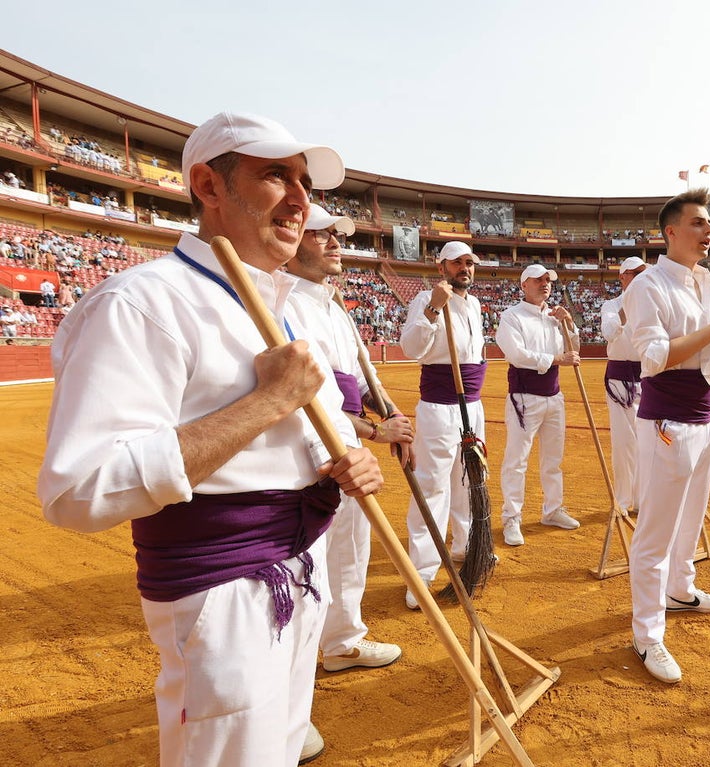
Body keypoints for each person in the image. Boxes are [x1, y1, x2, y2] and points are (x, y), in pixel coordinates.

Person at [38, 111, 382, 766]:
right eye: (275, 174)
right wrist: (267, 402)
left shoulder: (281, 306)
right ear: (208, 184)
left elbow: (324, 422)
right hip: (220, 595)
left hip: (302, 568)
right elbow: (78, 486)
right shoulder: (141, 302)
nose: (301, 197)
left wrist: (346, 453)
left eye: (305, 180)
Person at [623, 188, 710, 684]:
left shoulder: (703, 279)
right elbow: (653, 357)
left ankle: (681, 589)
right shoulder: (648, 285)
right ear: (671, 231)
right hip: (666, 422)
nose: (708, 230)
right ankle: (647, 635)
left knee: (693, 516)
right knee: (655, 531)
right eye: (698, 223)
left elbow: (703, 343)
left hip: (704, 413)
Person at [285, 203, 412, 670]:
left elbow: (361, 379)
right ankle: (293, 676)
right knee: (309, 558)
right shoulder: (287, 304)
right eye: (321, 235)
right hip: (310, 448)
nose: (335, 243)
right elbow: (313, 397)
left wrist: (394, 416)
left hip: (349, 443)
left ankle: (342, 640)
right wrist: (378, 431)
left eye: (336, 235)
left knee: (353, 544)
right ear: (294, 241)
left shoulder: (332, 305)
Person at [398, 240, 487, 608]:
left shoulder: (476, 304)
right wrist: (435, 307)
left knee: (469, 479)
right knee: (433, 486)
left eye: (469, 263)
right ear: (441, 268)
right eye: (456, 263)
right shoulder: (424, 300)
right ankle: (421, 572)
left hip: (473, 404)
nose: (464, 269)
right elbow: (411, 348)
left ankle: (466, 545)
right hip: (439, 405)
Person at [495, 264, 581, 546]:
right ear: (524, 285)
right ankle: (512, 517)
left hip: (553, 396)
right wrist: (558, 360)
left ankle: (553, 510)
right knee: (517, 460)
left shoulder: (555, 317)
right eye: (539, 280)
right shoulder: (511, 317)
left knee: (553, 459)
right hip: (524, 396)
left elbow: (574, 349)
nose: (545, 284)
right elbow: (517, 355)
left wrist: (568, 323)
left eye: (548, 280)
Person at [600, 256, 647, 515]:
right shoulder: (610, 305)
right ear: (623, 277)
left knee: (646, 442)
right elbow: (609, 332)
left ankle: (641, 500)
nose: (641, 278)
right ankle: (622, 499)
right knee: (622, 441)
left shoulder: (653, 305)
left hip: (648, 378)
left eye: (643, 273)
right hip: (619, 381)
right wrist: (629, 305)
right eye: (635, 273)